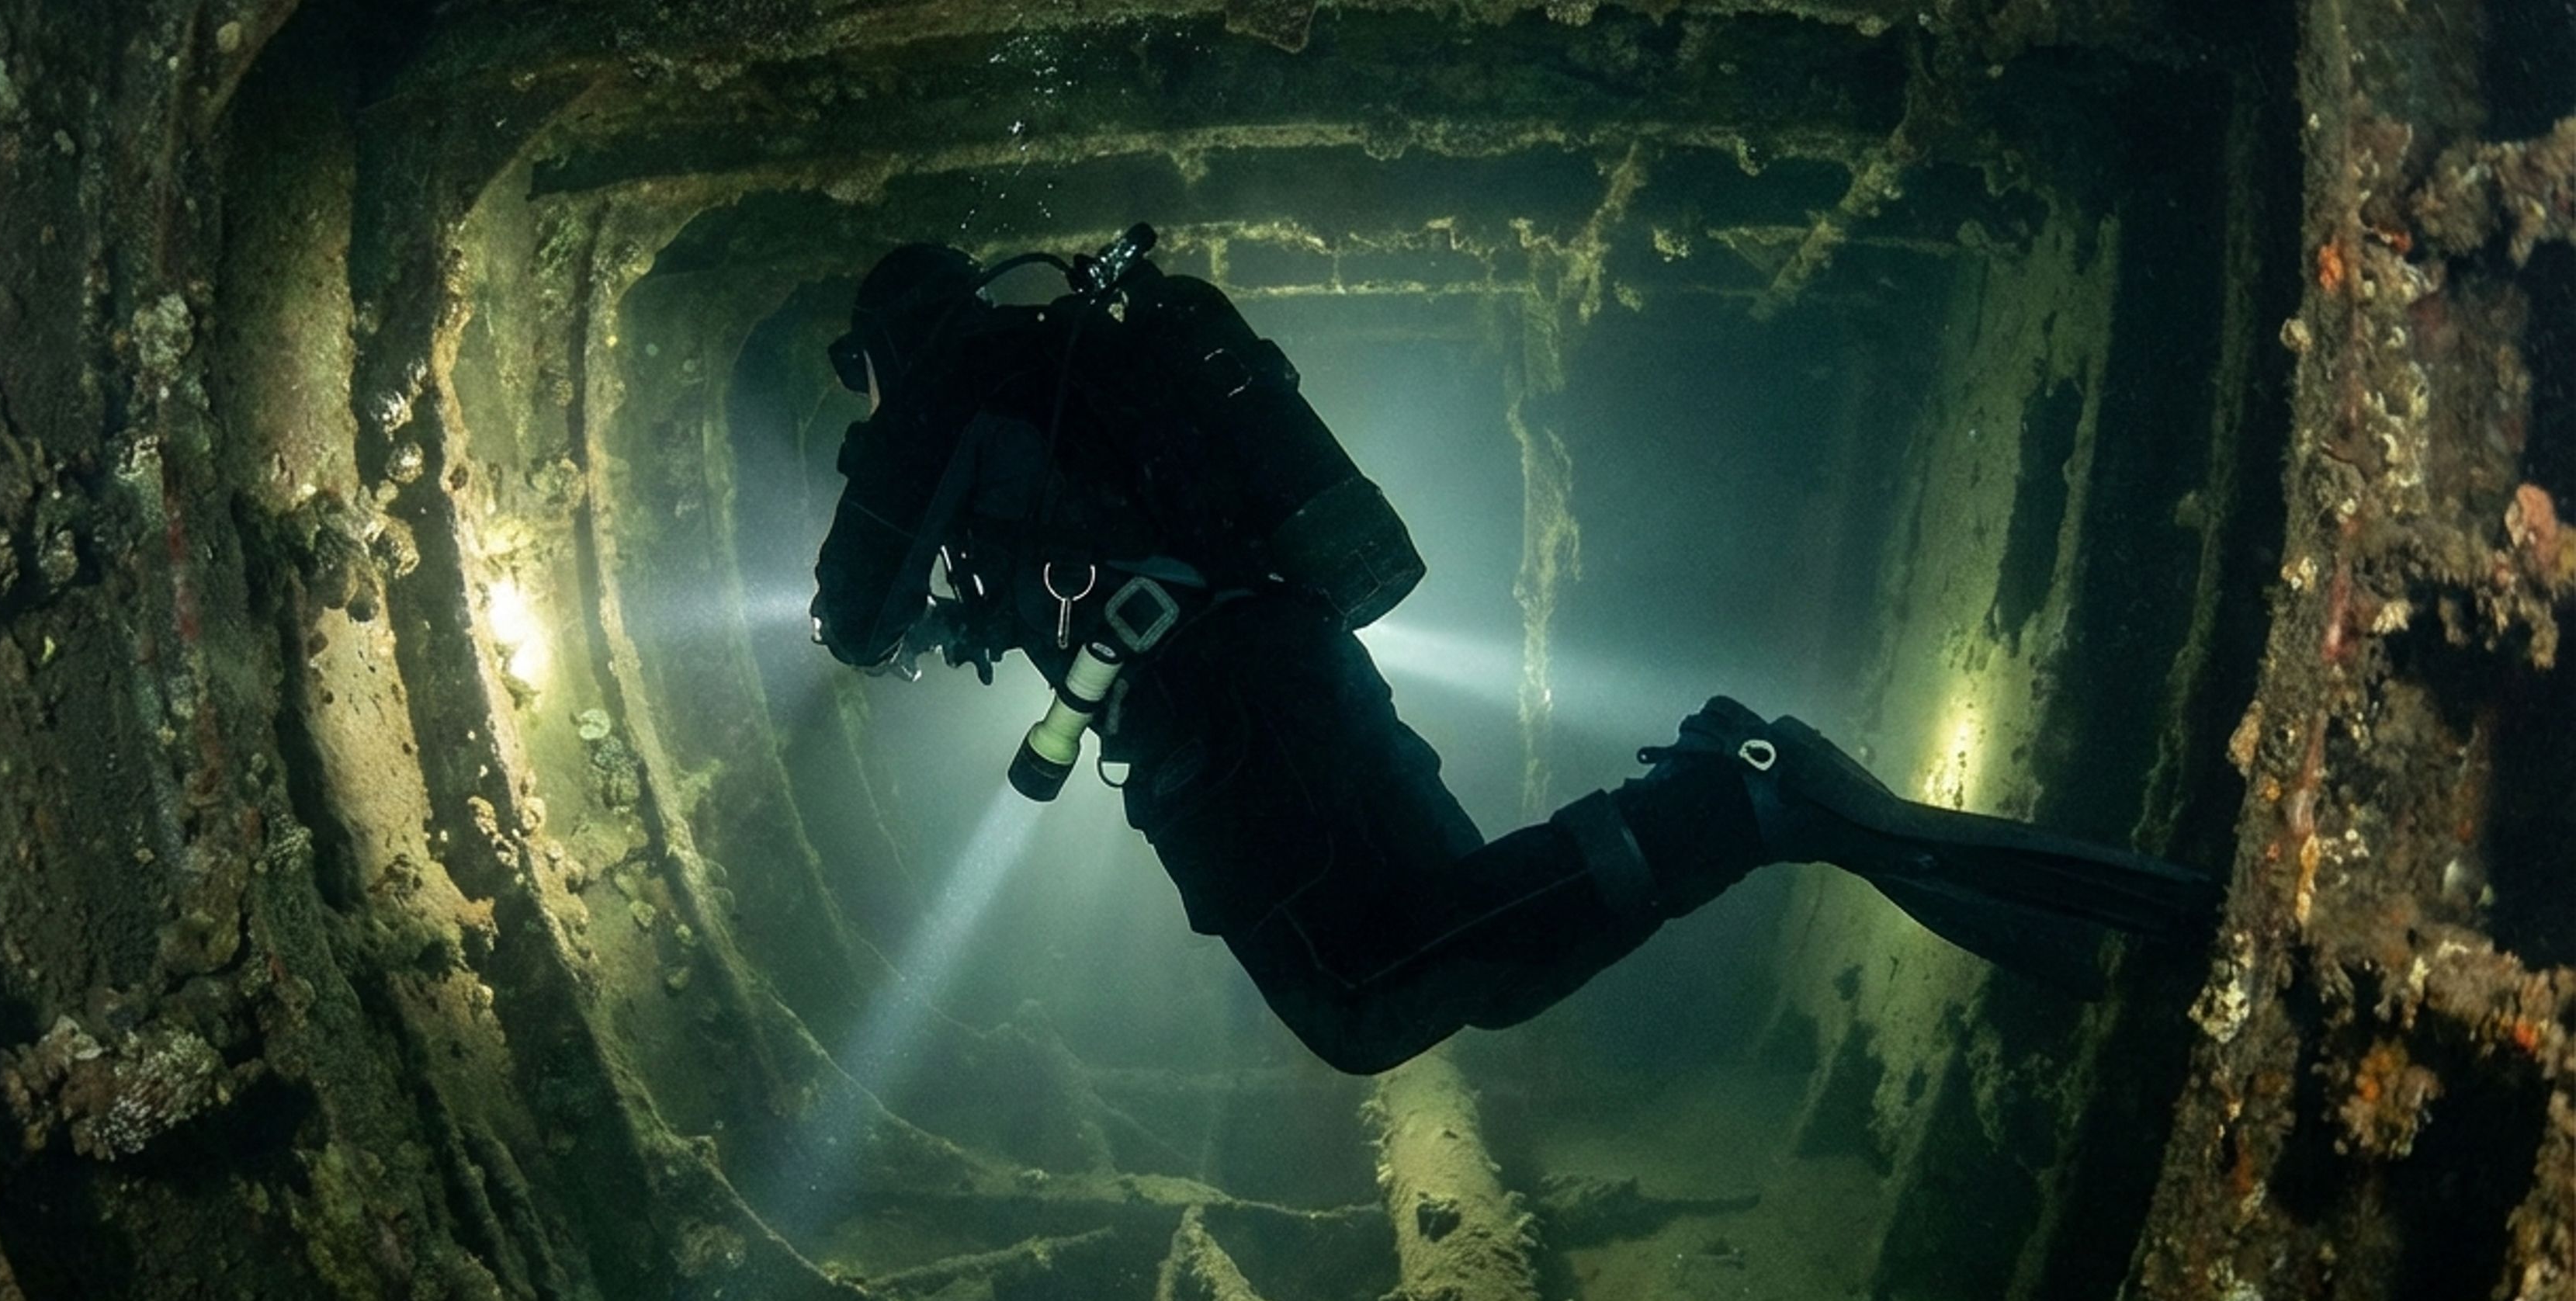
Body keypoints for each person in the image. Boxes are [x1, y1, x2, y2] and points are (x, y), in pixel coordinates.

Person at [808, 228, 2217, 1075]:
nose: (867, 399)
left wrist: (896, 487)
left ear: (888, 344)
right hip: (1306, 663)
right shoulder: (1093, 362)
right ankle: (1738, 800)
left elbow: (853, 622)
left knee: (1362, 1004)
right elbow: (1105, 531)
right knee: (1475, 953)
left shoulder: (943, 388)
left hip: (1217, 729)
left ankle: (1737, 796)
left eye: (862, 373)